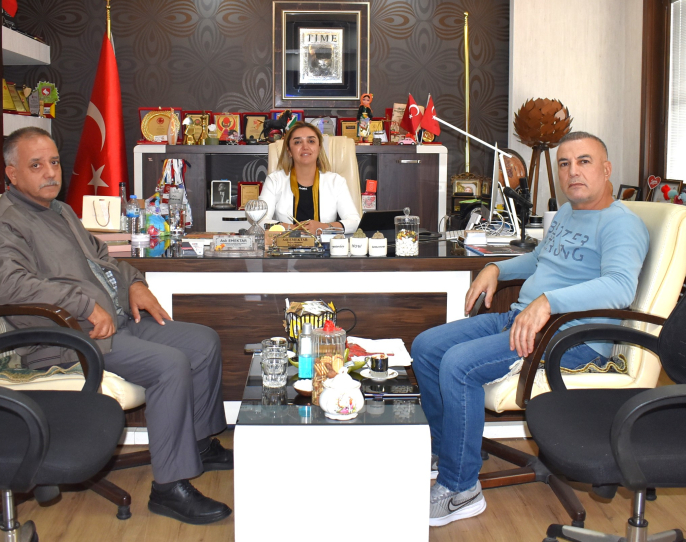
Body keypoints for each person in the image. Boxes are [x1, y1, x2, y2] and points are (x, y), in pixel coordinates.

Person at [0, 127, 233, 526]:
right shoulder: (1, 226)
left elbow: (103, 256)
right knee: (170, 365)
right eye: (36, 165)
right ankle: (169, 487)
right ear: (11, 173)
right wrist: (85, 305)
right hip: (69, 337)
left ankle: (199, 443)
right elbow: (14, 288)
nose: (50, 172)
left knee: (203, 341)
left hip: (116, 321)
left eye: (54, 162)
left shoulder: (60, 211)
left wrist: (135, 283)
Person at [411, 131, 649, 528]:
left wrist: (549, 302)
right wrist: (495, 268)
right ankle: (449, 449)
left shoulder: (622, 224)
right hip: (523, 319)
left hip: (570, 338)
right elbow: (540, 259)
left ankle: (461, 489)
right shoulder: (569, 213)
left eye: (584, 161)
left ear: (607, 169)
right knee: (426, 346)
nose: (573, 172)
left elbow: (621, 287)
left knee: (458, 365)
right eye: (564, 164)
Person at [259, 121, 361, 234]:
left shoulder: (336, 181)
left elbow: (355, 221)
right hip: (286, 243)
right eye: (297, 142)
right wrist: (293, 228)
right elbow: (260, 220)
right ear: (289, 151)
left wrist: (323, 227)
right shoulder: (274, 180)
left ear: (319, 148)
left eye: (311, 141)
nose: (305, 147)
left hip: (325, 244)